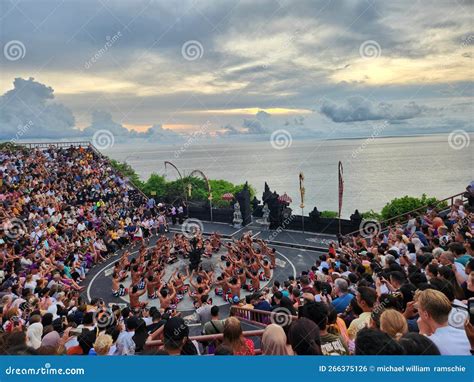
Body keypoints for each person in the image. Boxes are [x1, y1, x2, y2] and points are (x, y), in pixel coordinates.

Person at [415, 289, 470, 355]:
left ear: (426, 314)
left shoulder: (429, 344)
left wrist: (422, 334)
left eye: (418, 308)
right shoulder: (466, 335)